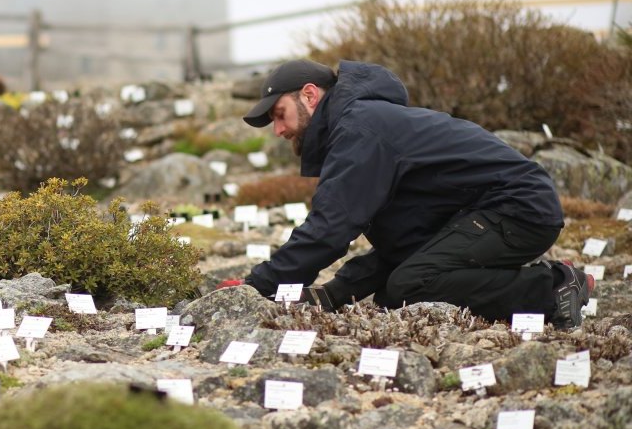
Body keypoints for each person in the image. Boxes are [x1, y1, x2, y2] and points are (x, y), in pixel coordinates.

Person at [232, 59, 593, 329]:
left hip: (518, 208)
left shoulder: (360, 130)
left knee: (412, 285)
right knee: (395, 294)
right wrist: (337, 293)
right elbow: (406, 238)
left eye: (279, 115)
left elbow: (330, 228)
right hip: (483, 212)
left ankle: (556, 287)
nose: (278, 130)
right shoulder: (359, 126)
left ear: (309, 95)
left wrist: (254, 288)